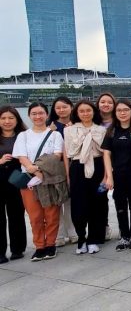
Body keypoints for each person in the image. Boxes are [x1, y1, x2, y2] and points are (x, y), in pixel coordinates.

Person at [13, 102, 64, 261]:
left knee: (51, 214)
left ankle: (50, 244)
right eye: (34, 113)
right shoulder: (23, 135)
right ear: (29, 115)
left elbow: (57, 155)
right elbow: (21, 156)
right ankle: (39, 246)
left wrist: (39, 169)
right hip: (29, 181)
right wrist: (33, 170)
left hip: (49, 179)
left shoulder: (55, 135)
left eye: (41, 113)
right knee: (35, 216)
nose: (38, 116)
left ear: (47, 115)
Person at [64, 100, 107, 255]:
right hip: (78, 166)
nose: (85, 113)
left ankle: (94, 238)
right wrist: (85, 138)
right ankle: (81, 237)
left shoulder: (101, 130)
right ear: (77, 113)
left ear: (94, 112)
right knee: (78, 205)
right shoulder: (69, 130)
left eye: (88, 110)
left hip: (97, 165)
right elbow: (70, 151)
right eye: (82, 111)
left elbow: (105, 152)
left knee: (97, 203)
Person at [102, 99, 131, 251]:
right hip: (118, 174)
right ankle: (124, 236)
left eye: (125, 110)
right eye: (119, 110)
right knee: (120, 205)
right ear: (115, 113)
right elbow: (106, 154)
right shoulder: (111, 131)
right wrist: (109, 176)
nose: (122, 113)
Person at [47, 96, 79, 248]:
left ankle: (72, 232)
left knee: (71, 202)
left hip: (75, 166)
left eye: (64, 106)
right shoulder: (51, 126)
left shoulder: (77, 123)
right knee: (57, 201)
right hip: (56, 168)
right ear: (54, 110)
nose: (61, 110)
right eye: (58, 107)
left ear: (71, 107)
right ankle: (59, 234)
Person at [0, 106, 27, 263]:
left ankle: (17, 249)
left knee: (16, 215)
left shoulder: (23, 136)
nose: (7, 121)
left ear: (17, 120)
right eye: (3, 118)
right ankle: (0, 252)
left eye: (11, 118)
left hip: (16, 180)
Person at [96, 92, 117, 241]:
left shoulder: (120, 120)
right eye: (103, 102)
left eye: (109, 102)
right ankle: (103, 226)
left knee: (122, 197)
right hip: (99, 165)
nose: (106, 104)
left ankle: (126, 228)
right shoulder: (93, 121)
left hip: (120, 163)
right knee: (100, 198)